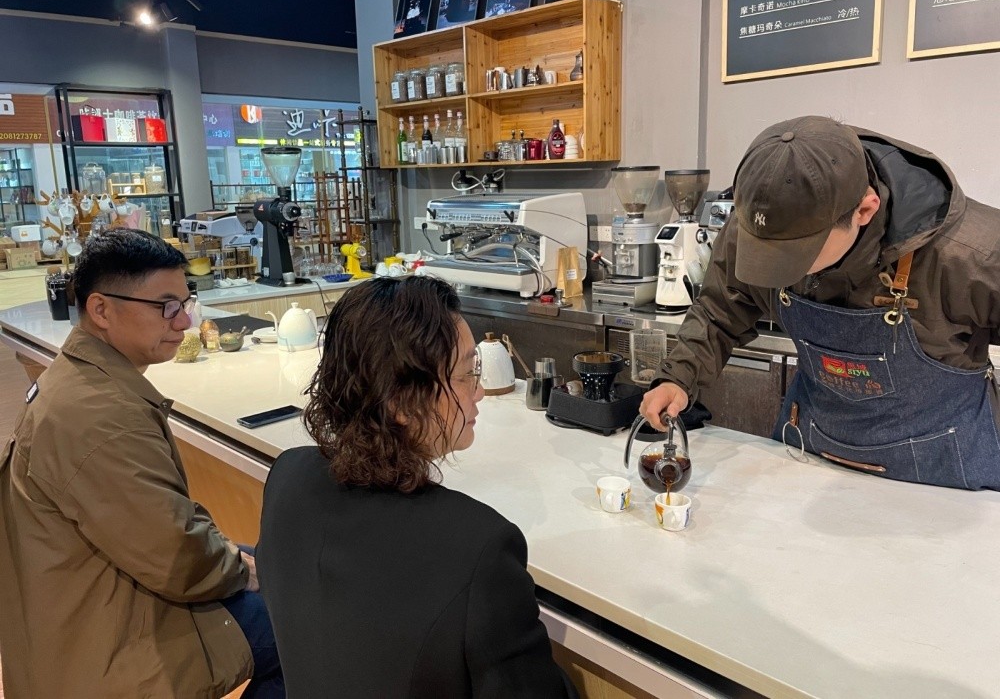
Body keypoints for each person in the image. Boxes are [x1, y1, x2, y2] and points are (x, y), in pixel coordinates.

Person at [256, 276, 577, 698]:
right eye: (466, 374)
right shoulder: (480, 549)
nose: (480, 391)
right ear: (401, 402)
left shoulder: (287, 476)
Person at [641, 115, 1000, 491]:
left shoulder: (972, 255)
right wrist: (679, 377)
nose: (777, 268)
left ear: (864, 210)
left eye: (795, 254)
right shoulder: (759, 225)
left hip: (943, 480)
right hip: (809, 457)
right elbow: (720, 310)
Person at [0, 228, 284, 697]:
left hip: (79, 604)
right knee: (311, 623)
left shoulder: (80, 380)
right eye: (166, 307)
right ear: (101, 310)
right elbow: (176, 556)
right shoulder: (101, 417)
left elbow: (160, 526)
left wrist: (232, 559)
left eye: (185, 304)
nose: (184, 323)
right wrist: (239, 569)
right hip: (106, 649)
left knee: (272, 564)